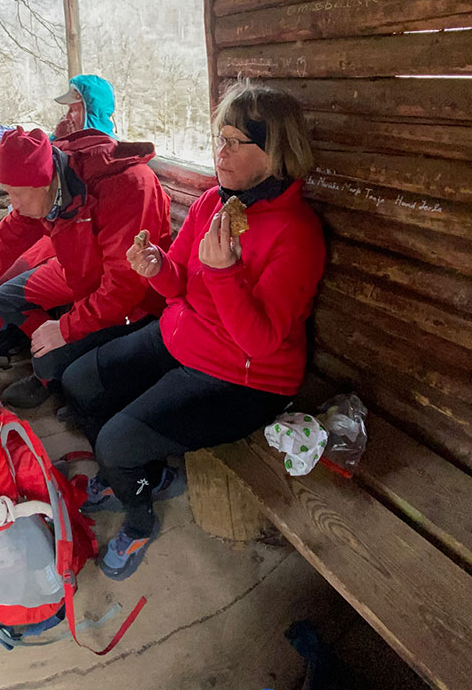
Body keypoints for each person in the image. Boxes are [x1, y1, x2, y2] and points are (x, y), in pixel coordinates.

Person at [62, 82, 325, 582]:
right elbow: (177, 283)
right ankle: (148, 476)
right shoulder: (213, 202)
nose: (219, 152)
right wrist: (155, 265)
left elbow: (260, 341)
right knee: (80, 381)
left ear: (273, 152)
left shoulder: (297, 232)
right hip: (185, 336)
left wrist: (225, 274)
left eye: (232, 142)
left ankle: (138, 520)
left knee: (115, 443)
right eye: (217, 138)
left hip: (244, 378)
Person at [0, 125, 171, 408]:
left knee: (65, 369)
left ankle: (52, 373)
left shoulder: (128, 187)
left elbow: (125, 286)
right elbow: (11, 233)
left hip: (133, 302)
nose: (14, 204)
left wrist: (66, 328)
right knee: (4, 299)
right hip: (78, 272)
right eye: (8, 193)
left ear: (45, 182)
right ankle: (54, 361)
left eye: (17, 194)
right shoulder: (47, 180)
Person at [0, 74, 121, 357]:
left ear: (93, 108)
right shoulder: (61, 146)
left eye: (75, 108)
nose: (69, 114)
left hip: (81, 252)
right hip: (57, 239)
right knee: (0, 283)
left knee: (8, 283)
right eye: (68, 108)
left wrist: (67, 328)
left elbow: (119, 276)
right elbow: (13, 231)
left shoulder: (111, 165)